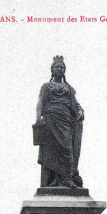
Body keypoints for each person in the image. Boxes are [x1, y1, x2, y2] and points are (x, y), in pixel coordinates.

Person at [35, 55, 84, 188]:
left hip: (65, 121)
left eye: (62, 67)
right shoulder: (46, 86)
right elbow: (40, 102)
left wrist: (80, 112)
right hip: (50, 120)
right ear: (52, 70)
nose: (59, 69)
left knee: (67, 148)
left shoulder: (69, 88)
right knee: (52, 151)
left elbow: (76, 104)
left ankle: (67, 178)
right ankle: (56, 179)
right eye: (57, 66)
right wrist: (38, 118)